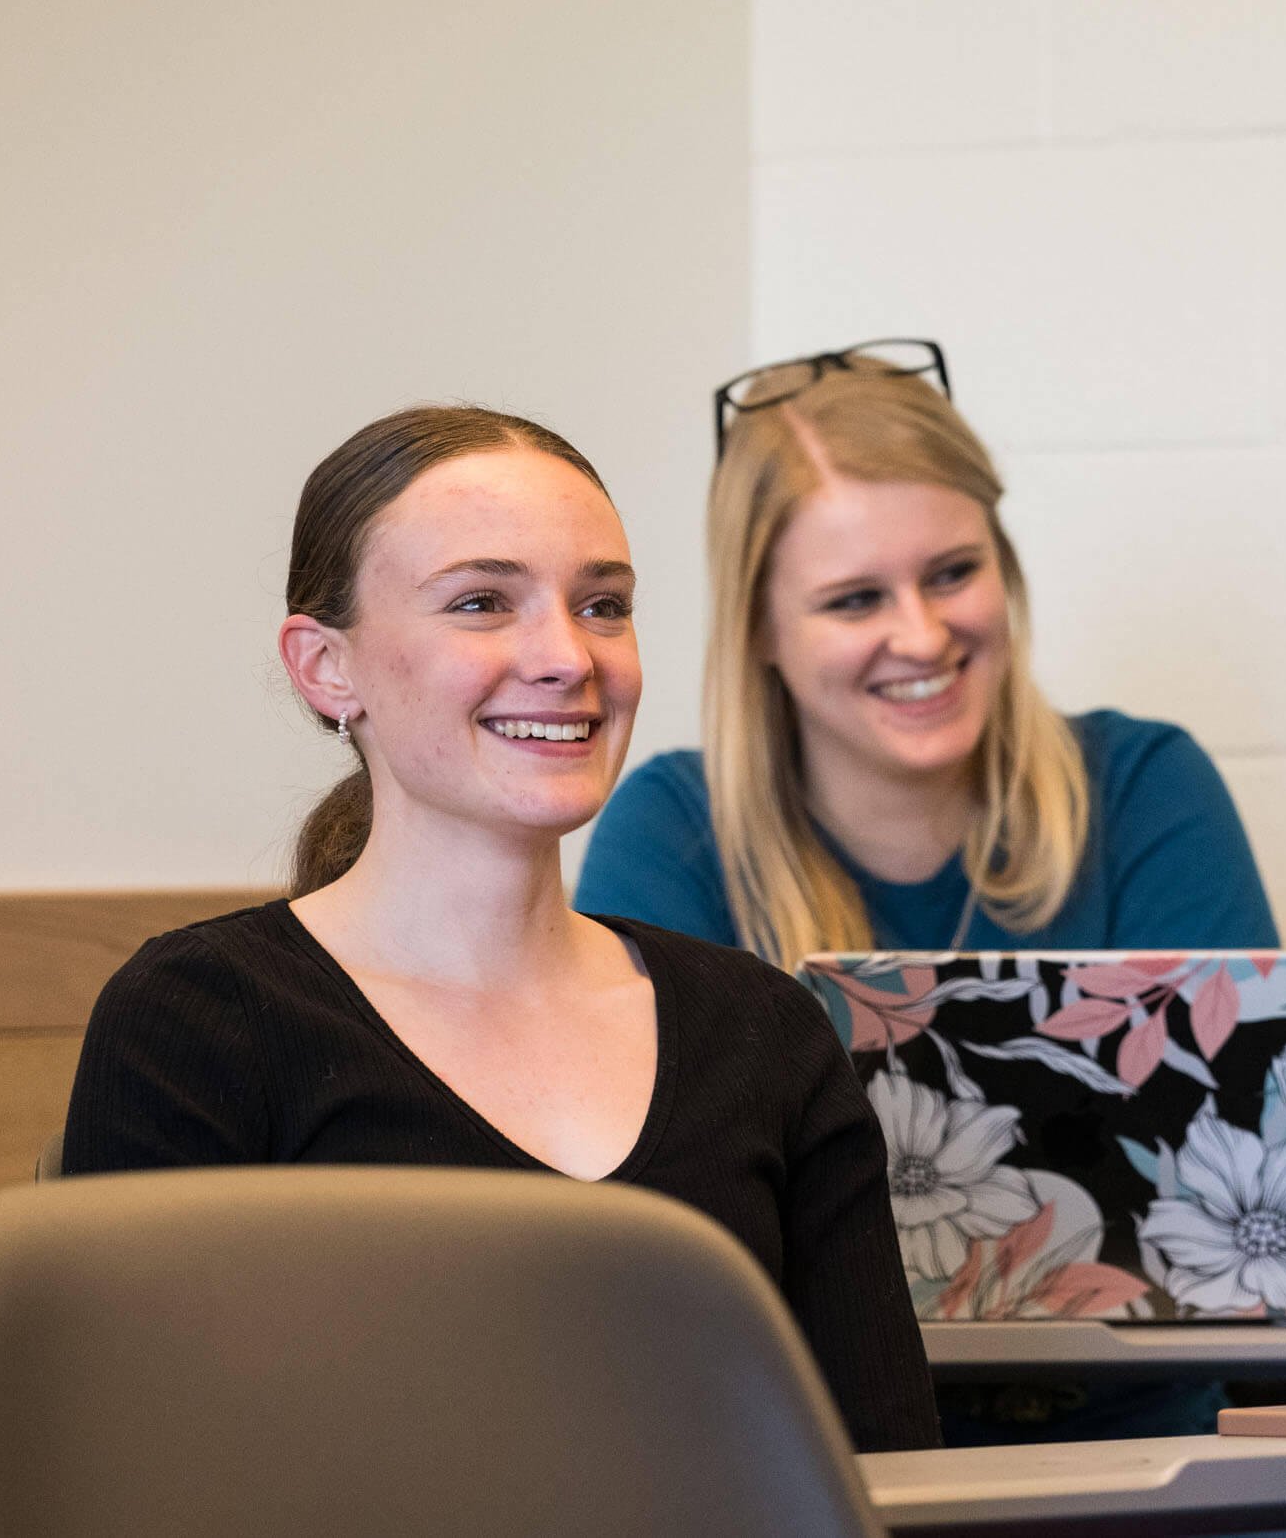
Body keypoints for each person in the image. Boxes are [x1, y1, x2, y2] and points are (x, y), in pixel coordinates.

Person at [62, 404, 939, 1454]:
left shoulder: (764, 1032)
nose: (566, 656)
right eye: (481, 602)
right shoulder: (200, 1022)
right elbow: (132, 1478)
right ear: (324, 667)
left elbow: (882, 1470)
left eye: (603, 605)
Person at [574, 343, 1280, 1443]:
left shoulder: (1144, 789)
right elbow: (660, 1255)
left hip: (1147, 1457)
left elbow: (1247, 1212)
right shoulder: (672, 836)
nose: (920, 633)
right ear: (758, 626)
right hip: (813, 1465)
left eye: (952, 572)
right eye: (855, 598)